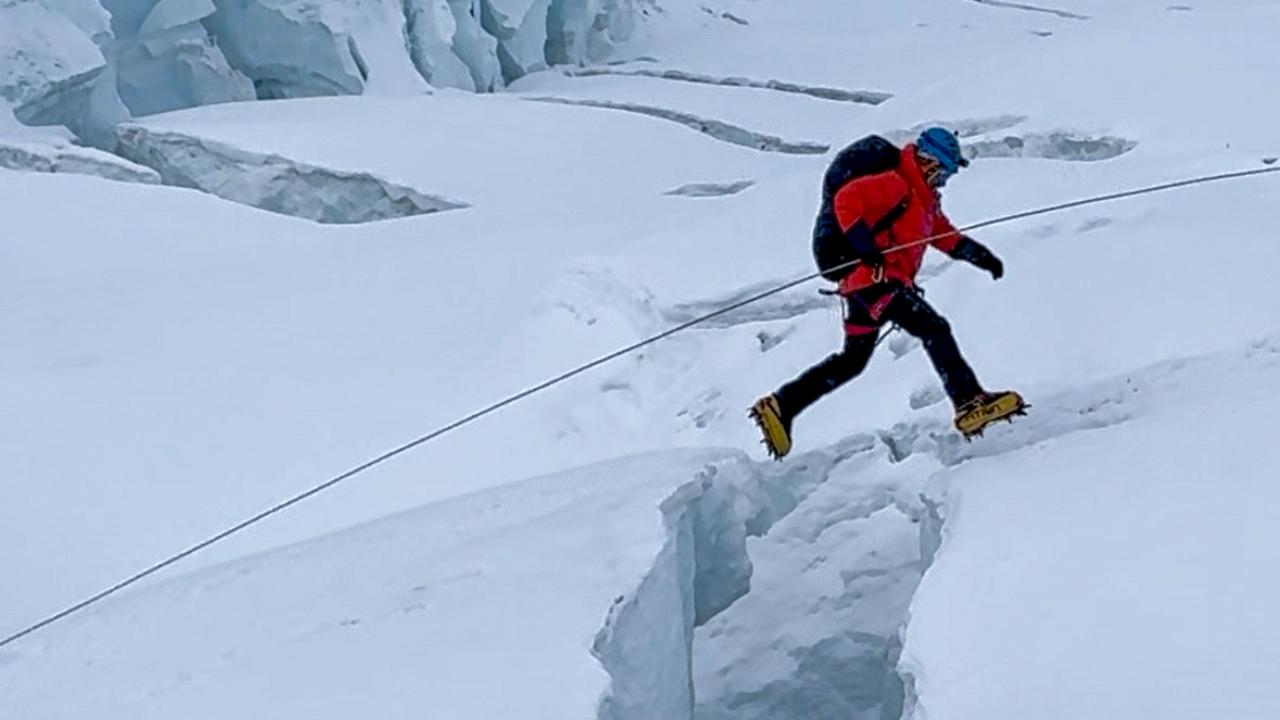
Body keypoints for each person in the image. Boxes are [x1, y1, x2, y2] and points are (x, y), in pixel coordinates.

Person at [750, 127, 1024, 459]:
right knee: (933, 328)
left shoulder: (924, 203)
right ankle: (969, 402)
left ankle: (781, 406)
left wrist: (982, 257)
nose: (946, 181)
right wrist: (868, 252)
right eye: (946, 172)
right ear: (930, 162)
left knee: (852, 361)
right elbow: (847, 200)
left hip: (864, 288)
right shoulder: (897, 183)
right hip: (875, 281)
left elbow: (945, 237)